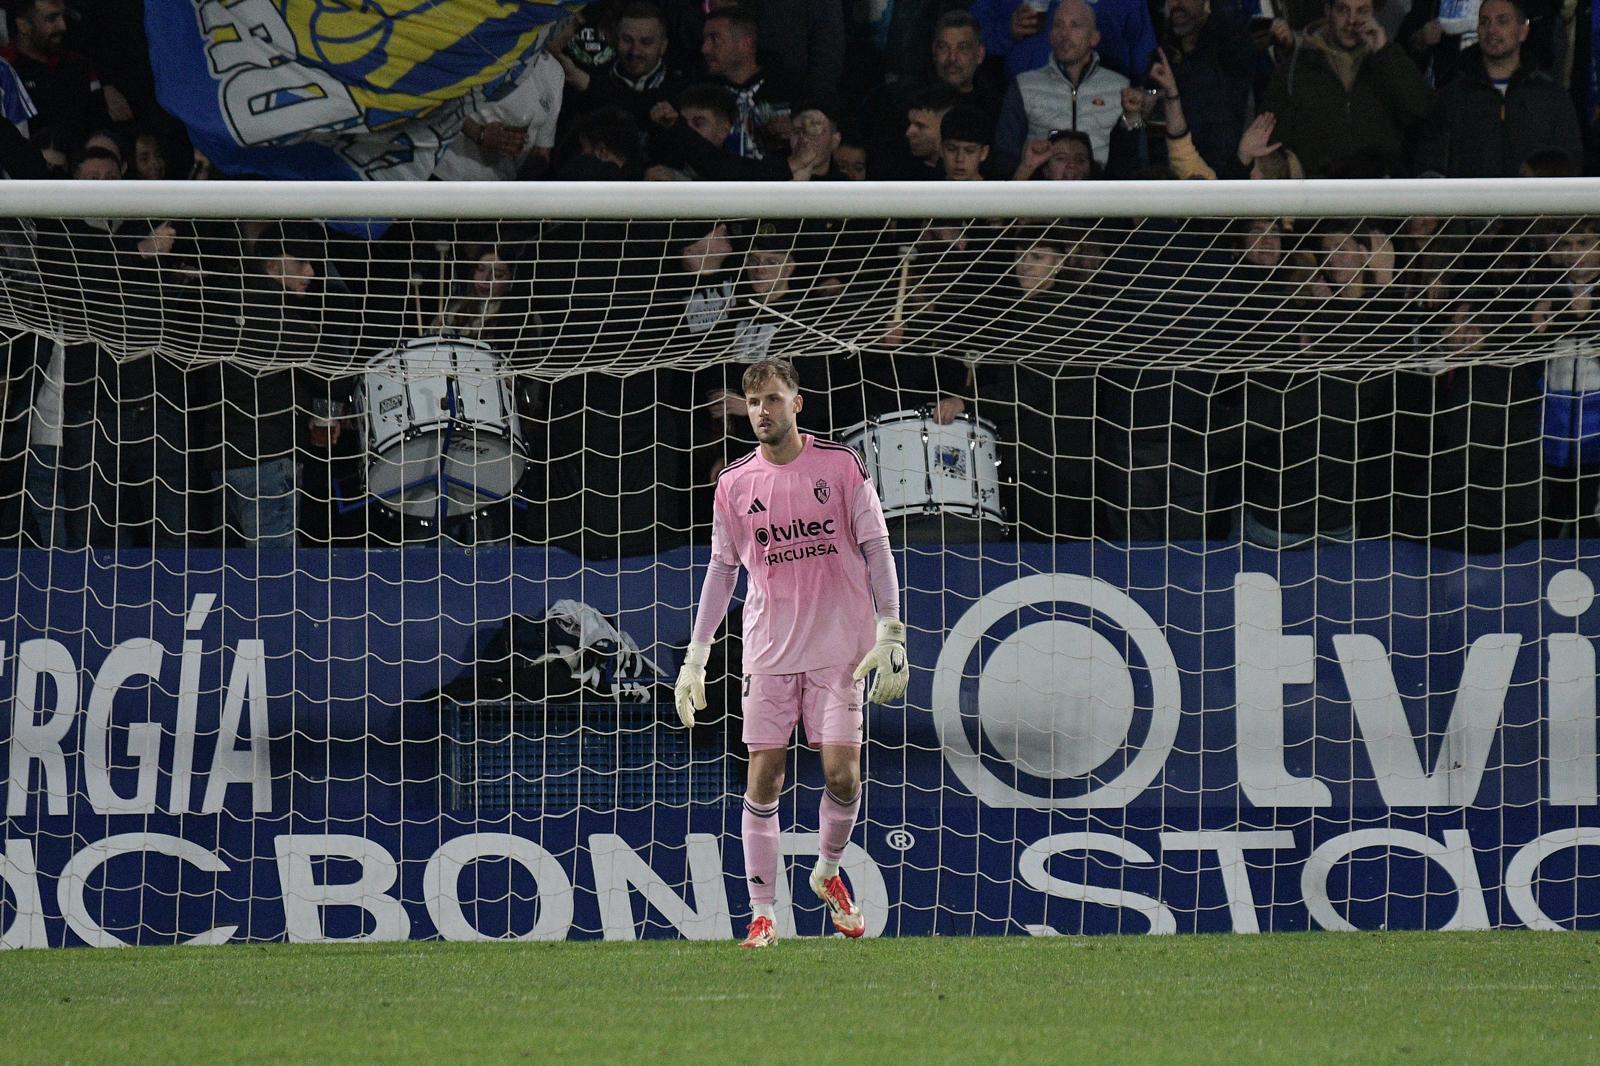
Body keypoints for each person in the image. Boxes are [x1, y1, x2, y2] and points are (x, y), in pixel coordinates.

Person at [674, 357, 908, 949]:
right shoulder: (733, 484)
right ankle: (761, 912)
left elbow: (877, 548)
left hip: (840, 649)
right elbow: (722, 570)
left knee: (842, 775)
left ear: (796, 404)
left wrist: (892, 631)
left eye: (773, 400)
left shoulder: (840, 465)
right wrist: (697, 656)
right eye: (753, 403)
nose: (761, 412)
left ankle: (828, 872)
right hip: (769, 653)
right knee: (765, 775)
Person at [1412, 0, 1581, 178]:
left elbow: (1569, 165)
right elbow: (1430, 166)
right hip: (1469, 204)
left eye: (1502, 21)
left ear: (1523, 31)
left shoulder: (1551, 97)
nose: (1491, 29)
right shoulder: (1451, 98)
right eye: (1484, 22)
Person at [1261, 0, 1432, 176]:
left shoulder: (1389, 61)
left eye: (1362, 11)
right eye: (1343, 10)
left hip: (1381, 192)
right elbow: (1269, 136)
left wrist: (1384, 52)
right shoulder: (1297, 66)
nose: (1352, 20)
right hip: (1317, 194)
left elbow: (1422, 111)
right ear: (1328, 11)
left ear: (1374, 14)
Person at [992, 0, 1131, 174]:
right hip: (1041, 195)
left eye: (1075, 25)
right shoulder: (1024, 85)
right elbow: (1005, 156)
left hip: (1101, 195)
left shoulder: (1120, 87)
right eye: (1058, 26)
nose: (1065, 34)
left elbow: (1134, 158)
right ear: (1050, 36)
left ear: (1095, 37)